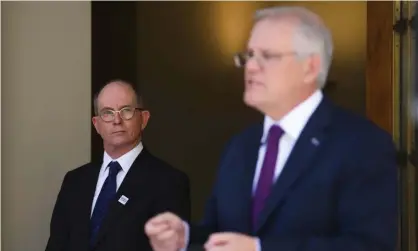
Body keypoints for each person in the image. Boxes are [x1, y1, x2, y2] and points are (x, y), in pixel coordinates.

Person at [144, 6, 398, 251]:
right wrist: (184, 238)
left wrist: (260, 249)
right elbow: (223, 234)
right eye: (248, 55)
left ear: (310, 67)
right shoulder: (240, 146)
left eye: (267, 56)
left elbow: (369, 246)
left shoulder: (362, 144)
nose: (251, 67)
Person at [45, 80, 191, 251]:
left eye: (126, 111)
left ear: (144, 119)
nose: (117, 120)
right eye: (107, 113)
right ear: (96, 124)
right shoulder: (75, 181)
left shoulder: (169, 182)